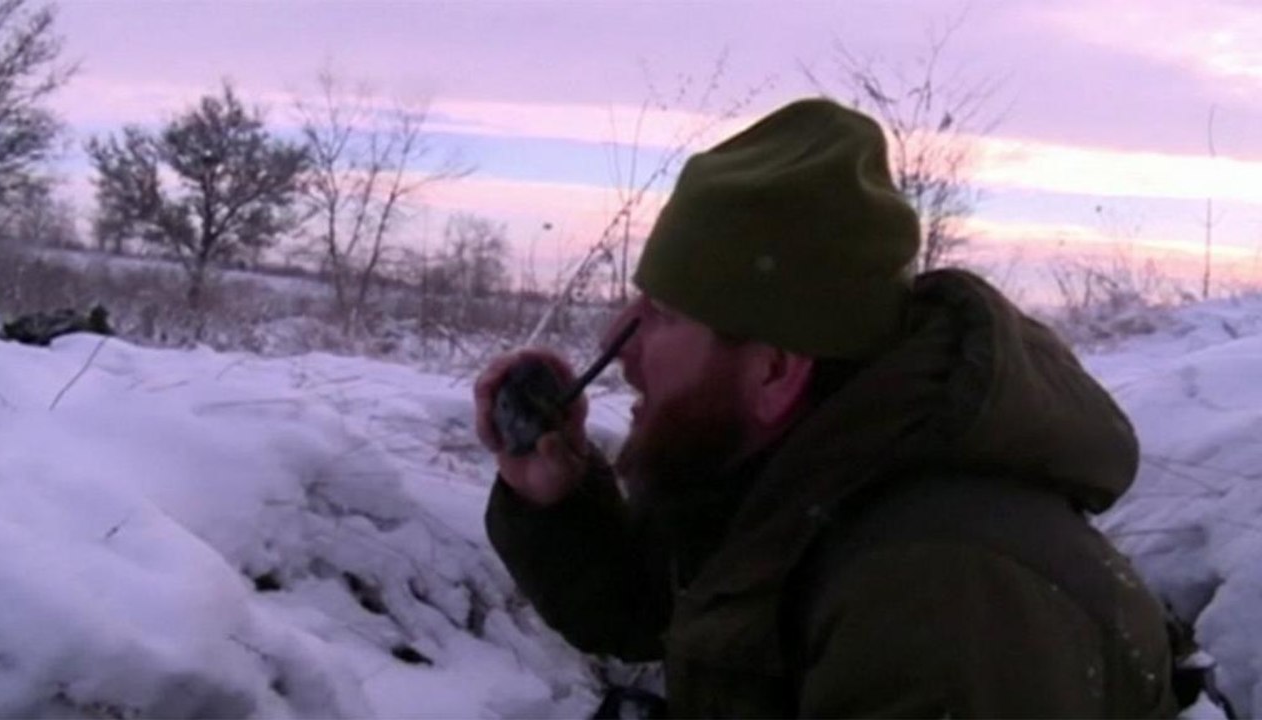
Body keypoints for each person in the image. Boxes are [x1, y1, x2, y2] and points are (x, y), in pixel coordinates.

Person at [474, 98, 1179, 718]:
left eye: (660, 316)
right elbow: (673, 615)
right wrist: (558, 503)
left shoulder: (936, 598)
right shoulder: (798, 478)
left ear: (775, 371)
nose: (617, 347)